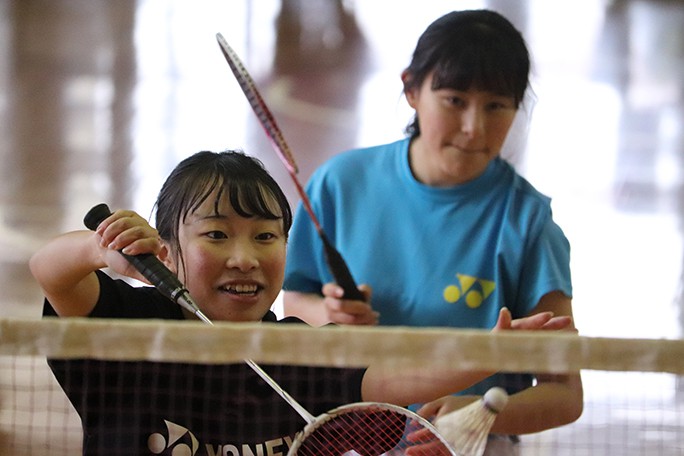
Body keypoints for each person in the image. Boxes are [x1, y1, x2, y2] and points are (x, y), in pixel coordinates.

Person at [30, 150, 568, 455]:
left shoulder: (296, 352)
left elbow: (393, 376)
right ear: (167, 251)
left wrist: (491, 353)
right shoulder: (129, 330)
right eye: (217, 235)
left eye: (266, 237)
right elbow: (51, 272)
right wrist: (99, 249)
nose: (244, 257)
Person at [282, 8, 584, 451]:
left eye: (496, 106)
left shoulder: (528, 223)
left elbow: (566, 394)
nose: (473, 128)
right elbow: (295, 299)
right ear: (411, 89)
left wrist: (477, 415)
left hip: (473, 444)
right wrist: (330, 316)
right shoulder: (340, 184)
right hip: (349, 436)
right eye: (455, 100)